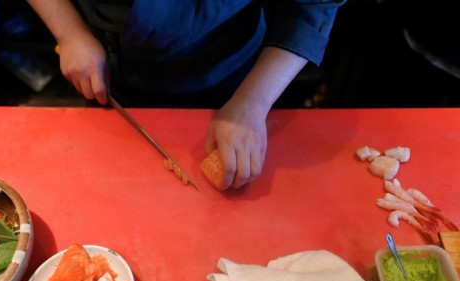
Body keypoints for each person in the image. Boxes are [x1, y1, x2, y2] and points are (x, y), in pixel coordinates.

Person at [26, 0, 345, 189]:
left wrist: (252, 102)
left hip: (232, 74)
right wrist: (69, 32)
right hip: (110, 72)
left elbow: (311, 7)